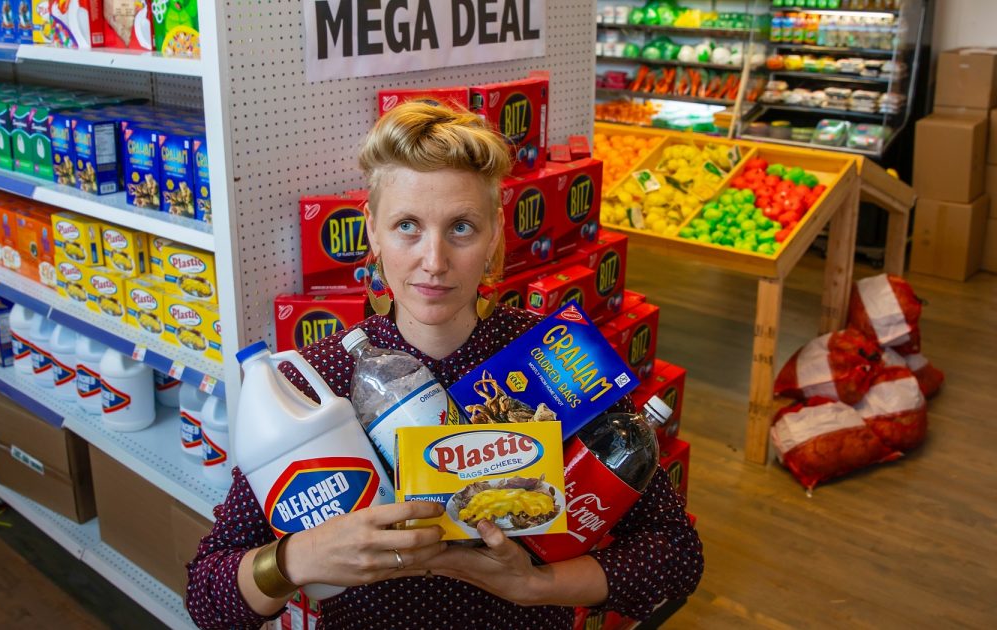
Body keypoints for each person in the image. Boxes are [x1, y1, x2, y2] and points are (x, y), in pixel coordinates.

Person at [185, 101, 703, 629]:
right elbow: (206, 596)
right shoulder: (314, 384)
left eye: (461, 227)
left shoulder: (557, 358)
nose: (433, 261)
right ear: (372, 231)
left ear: (496, 233)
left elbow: (676, 554)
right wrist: (300, 558)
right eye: (407, 225)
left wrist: (534, 585)